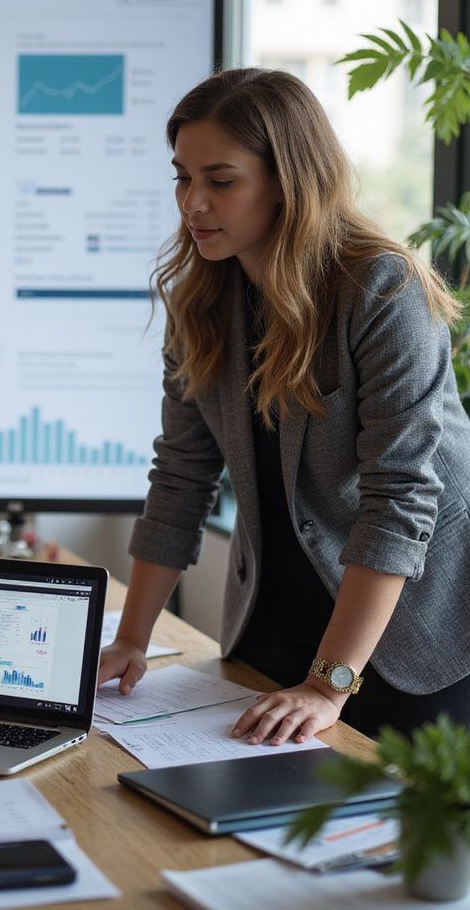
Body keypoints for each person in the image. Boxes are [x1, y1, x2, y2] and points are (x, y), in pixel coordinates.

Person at [99, 68, 470, 743]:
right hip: (274, 615)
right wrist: (131, 640)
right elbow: (181, 478)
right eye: (182, 177)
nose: (193, 203)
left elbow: (400, 497)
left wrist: (329, 684)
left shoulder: (381, 291)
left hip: (408, 629)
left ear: (288, 179)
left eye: (221, 180)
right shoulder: (203, 302)